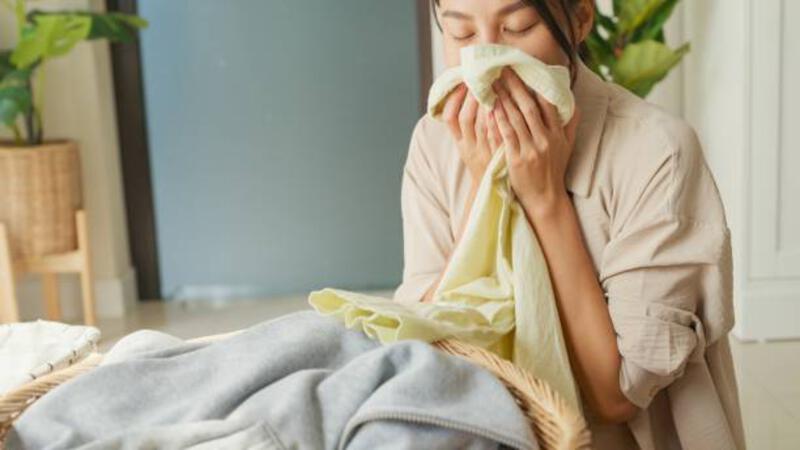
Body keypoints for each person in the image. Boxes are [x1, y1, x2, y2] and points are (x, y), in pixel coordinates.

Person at [392, 1, 747, 448]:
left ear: (580, 19)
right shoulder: (434, 139)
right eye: (461, 35)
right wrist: (489, 192)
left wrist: (544, 201)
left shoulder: (659, 151)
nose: (488, 61)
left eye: (518, 27)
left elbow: (618, 397)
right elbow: (428, 336)